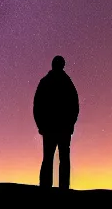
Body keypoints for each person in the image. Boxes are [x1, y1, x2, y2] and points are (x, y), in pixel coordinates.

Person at [33, 55, 79, 189]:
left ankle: (55, 188)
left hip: (56, 128)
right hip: (54, 128)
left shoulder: (51, 82)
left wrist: (70, 124)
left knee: (55, 158)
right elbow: (38, 105)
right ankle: (53, 188)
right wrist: (41, 125)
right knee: (54, 159)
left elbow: (74, 106)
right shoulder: (63, 82)